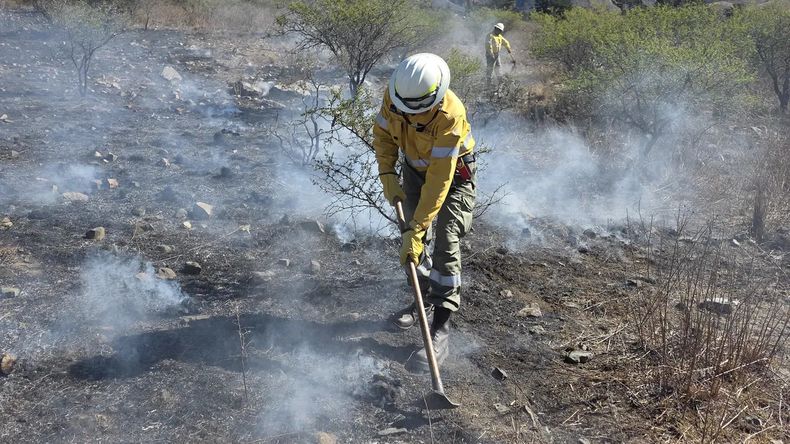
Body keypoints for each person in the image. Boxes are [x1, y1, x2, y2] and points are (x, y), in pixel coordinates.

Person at [373, 53, 477, 373]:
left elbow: (440, 180)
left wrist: (420, 229)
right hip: (414, 170)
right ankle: (421, 303)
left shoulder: (450, 115)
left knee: (444, 239)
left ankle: (440, 329)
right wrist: (387, 173)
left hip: (453, 177)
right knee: (411, 242)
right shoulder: (396, 95)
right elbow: (383, 135)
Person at [486, 22, 515, 87]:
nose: (499, 31)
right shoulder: (490, 35)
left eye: (500, 30)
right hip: (490, 55)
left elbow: (505, 42)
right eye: (498, 30)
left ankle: (500, 81)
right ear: (495, 28)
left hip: (497, 54)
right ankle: (488, 83)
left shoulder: (499, 36)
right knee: (490, 68)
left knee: (498, 67)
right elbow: (488, 46)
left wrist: (508, 48)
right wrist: (491, 54)